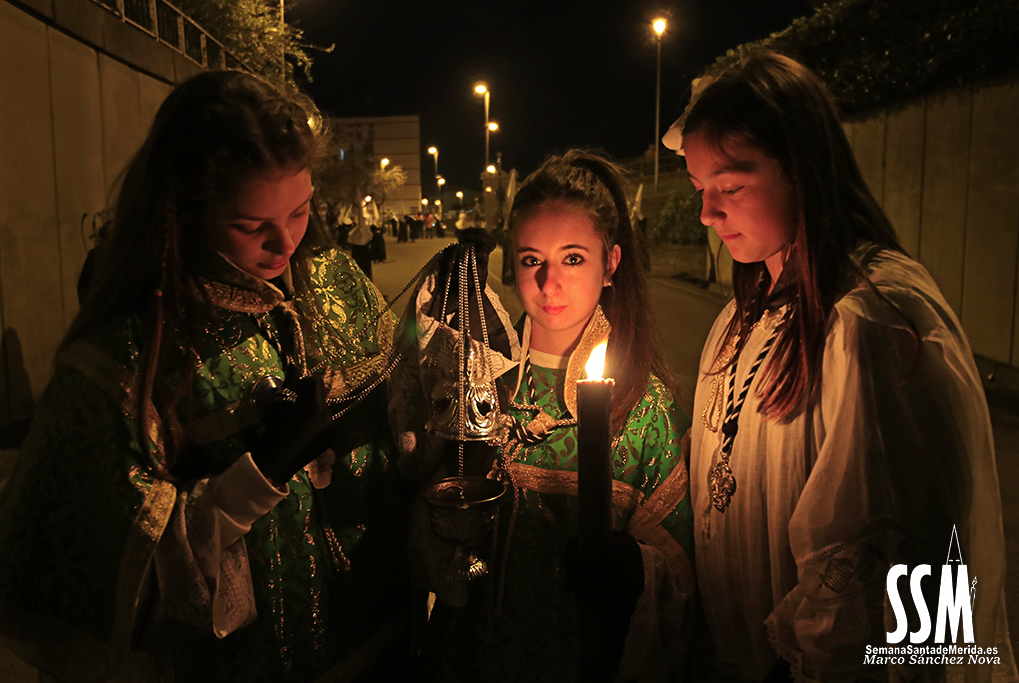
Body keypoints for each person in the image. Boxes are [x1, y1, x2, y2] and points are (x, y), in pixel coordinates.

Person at [0, 71, 411, 682]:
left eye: (299, 211)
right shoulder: (127, 354)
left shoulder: (336, 279)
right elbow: (120, 574)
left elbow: (406, 420)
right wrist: (263, 468)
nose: (284, 244)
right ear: (184, 213)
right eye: (250, 225)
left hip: (381, 639)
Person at [664, 52, 1017, 682]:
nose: (706, 215)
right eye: (699, 189)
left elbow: (900, 586)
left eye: (731, 187)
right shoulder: (743, 316)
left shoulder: (871, 324)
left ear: (802, 168)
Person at [416, 150, 695, 682]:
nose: (548, 282)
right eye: (531, 260)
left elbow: (681, 580)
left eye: (572, 259)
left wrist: (631, 570)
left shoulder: (645, 412)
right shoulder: (474, 380)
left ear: (610, 264)